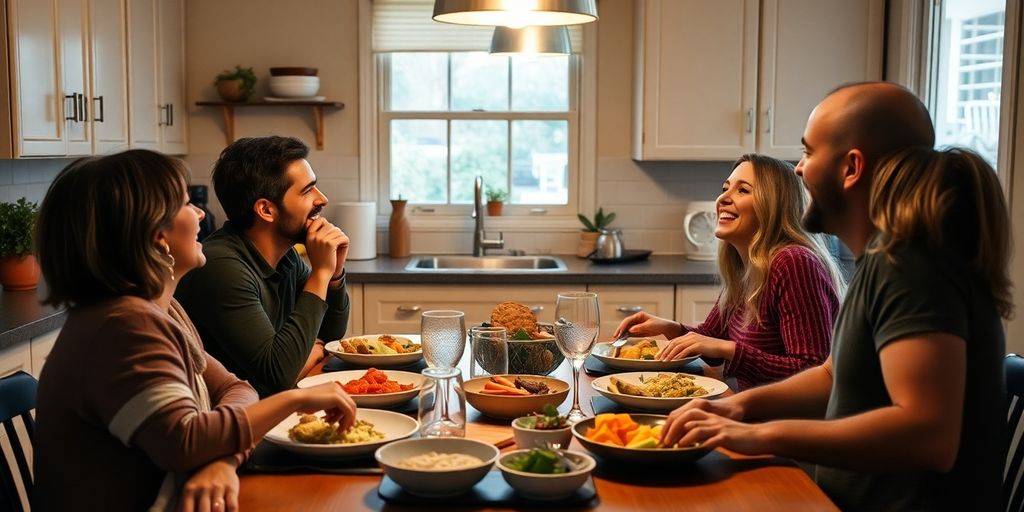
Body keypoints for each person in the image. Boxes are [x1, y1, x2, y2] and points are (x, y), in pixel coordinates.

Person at [660, 82, 1011, 511]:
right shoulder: (885, 259)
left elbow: (929, 436)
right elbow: (830, 374)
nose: (799, 170)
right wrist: (735, 409)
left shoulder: (914, 268)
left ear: (851, 168)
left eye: (808, 152)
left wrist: (760, 434)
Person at [31, 150, 357, 511]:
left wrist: (221, 457)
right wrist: (297, 399)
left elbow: (236, 389)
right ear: (157, 236)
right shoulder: (123, 327)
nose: (201, 213)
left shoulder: (163, 310)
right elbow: (184, 442)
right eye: (187, 204)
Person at [613, 153, 844, 389]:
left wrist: (730, 349)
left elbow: (812, 369)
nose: (723, 197)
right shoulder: (746, 266)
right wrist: (669, 328)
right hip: (755, 408)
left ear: (774, 205)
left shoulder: (794, 263)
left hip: (791, 421)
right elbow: (711, 339)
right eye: (725, 188)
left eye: (742, 190)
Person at [176, 136, 351, 397]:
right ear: (266, 210)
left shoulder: (286, 256)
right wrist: (321, 273)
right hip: (239, 427)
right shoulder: (221, 267)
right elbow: (280, 373)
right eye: (307, 190)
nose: (322, 199)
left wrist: (334, 275)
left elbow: (330, 334)